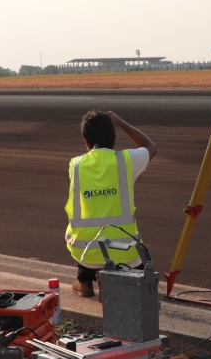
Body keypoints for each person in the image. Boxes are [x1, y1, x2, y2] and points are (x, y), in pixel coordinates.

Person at [64, 110, 158, 297]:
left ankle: (85, 282)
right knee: (138, 266)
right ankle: (109, 284)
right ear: (114, 137)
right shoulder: (126, 161)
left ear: (86, 142)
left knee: (91, 232)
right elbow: (150, 146)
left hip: (83, 250)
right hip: (123, 251)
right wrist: (121, 122)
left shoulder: (75, 164)